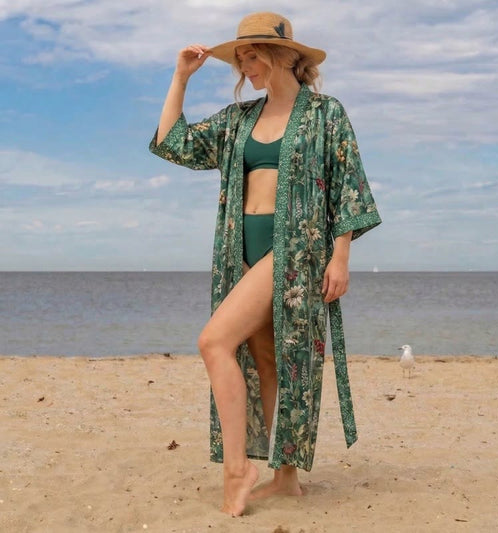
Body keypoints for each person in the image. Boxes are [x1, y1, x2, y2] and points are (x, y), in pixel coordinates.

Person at [149, 11, 382, 516]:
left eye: (252, 55)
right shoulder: (239, 119)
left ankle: (238, 469)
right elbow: (173, 144)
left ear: (282, 56)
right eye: (240, 58)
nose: (245, 66)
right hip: (240, 252)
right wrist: (180, 78)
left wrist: (341, 256)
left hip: (295, 252)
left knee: (214, 342)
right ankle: (286, 480)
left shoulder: (325, 114)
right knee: (269, 360)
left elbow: (349, 185)